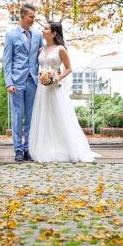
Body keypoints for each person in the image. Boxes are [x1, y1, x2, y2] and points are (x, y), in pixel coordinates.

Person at [28, 22, 99, 164]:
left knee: (58, 116)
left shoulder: (60, 49)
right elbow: (40, 66)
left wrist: (56, 77)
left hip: (55, 87)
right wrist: (42, 76)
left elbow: (68, 68)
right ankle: (45, 148)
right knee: (44, 116)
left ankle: (64, 149)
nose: (43, 31)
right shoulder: (41, 49)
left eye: (46, 29)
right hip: (42, 89)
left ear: (54, 33)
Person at [3, 2, 42, 163]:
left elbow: (42, 56)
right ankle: (18, 150)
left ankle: (28, 149)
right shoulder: (11, 36)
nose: (34, 19)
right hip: (16, 83)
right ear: (22, 17)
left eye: (34, 17)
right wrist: (8, 82)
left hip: (33, 81)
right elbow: (7, 61)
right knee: (17, 117)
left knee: (31, 117)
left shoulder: (38, 35)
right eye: (31, 17)